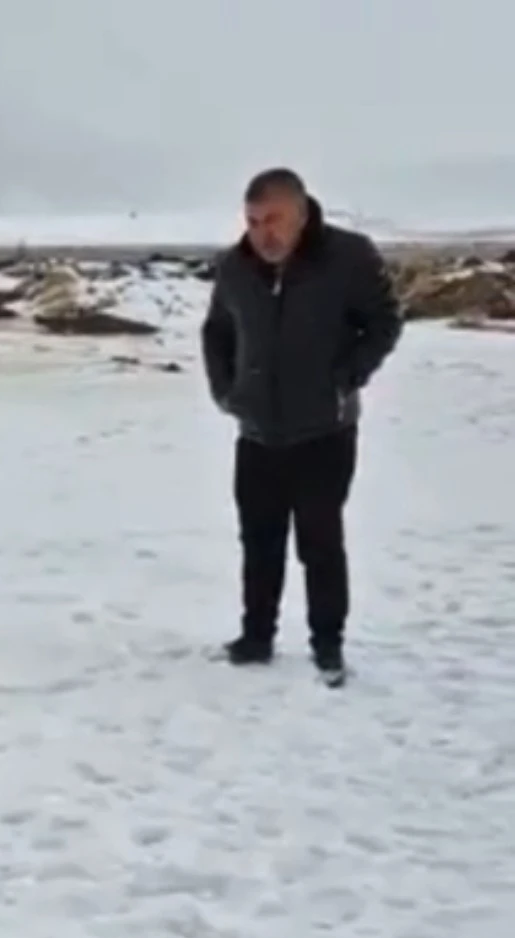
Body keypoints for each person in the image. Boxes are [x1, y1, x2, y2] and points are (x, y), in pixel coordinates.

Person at [201, 167, 403, 680]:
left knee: (320, 541)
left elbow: (383, 322)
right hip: (257, 432)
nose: (262, 232)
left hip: (324, 431)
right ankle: (256, 638)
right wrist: (227, 392)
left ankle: (327, 643)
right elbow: (217, 332)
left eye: (273, 219)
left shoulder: (348, 257)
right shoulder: (234, 268)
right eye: (252, 221)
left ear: (301, 213)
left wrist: (346, 378)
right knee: (259, 541)